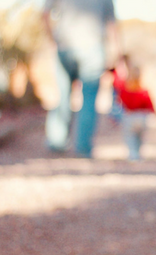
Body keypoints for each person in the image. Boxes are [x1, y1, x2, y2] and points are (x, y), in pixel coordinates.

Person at [42, 0, 118, 157]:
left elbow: (44, 15)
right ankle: (83, 147)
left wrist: (53, 41)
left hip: (64, 46)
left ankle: (57, 141)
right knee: (89, 99)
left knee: (63, 94)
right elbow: (112, 25)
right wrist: (117, 54)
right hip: (93, 47)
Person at [111, 56, 155, 161]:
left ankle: (133, 154)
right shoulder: (144, 91)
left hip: (129, 117)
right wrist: (155, 112)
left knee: (130, 137)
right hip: (142, 117)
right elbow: (150, 105)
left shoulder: (125, 91)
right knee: (140, 137)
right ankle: (138, 153)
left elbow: (119, 100)